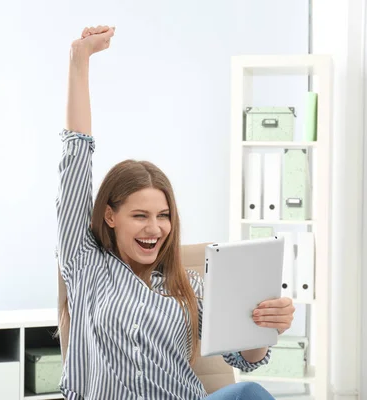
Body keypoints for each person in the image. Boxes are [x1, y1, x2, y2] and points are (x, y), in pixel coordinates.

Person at [56, 24, 296, 400]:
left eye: (163, 215)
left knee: (248, 391)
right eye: (140, 215)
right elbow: (75, 159)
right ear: (109, 215)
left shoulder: (190, 286)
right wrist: (79, 61)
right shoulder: (85, 263)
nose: (155, 228)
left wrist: (264, 329)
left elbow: (245, 357)